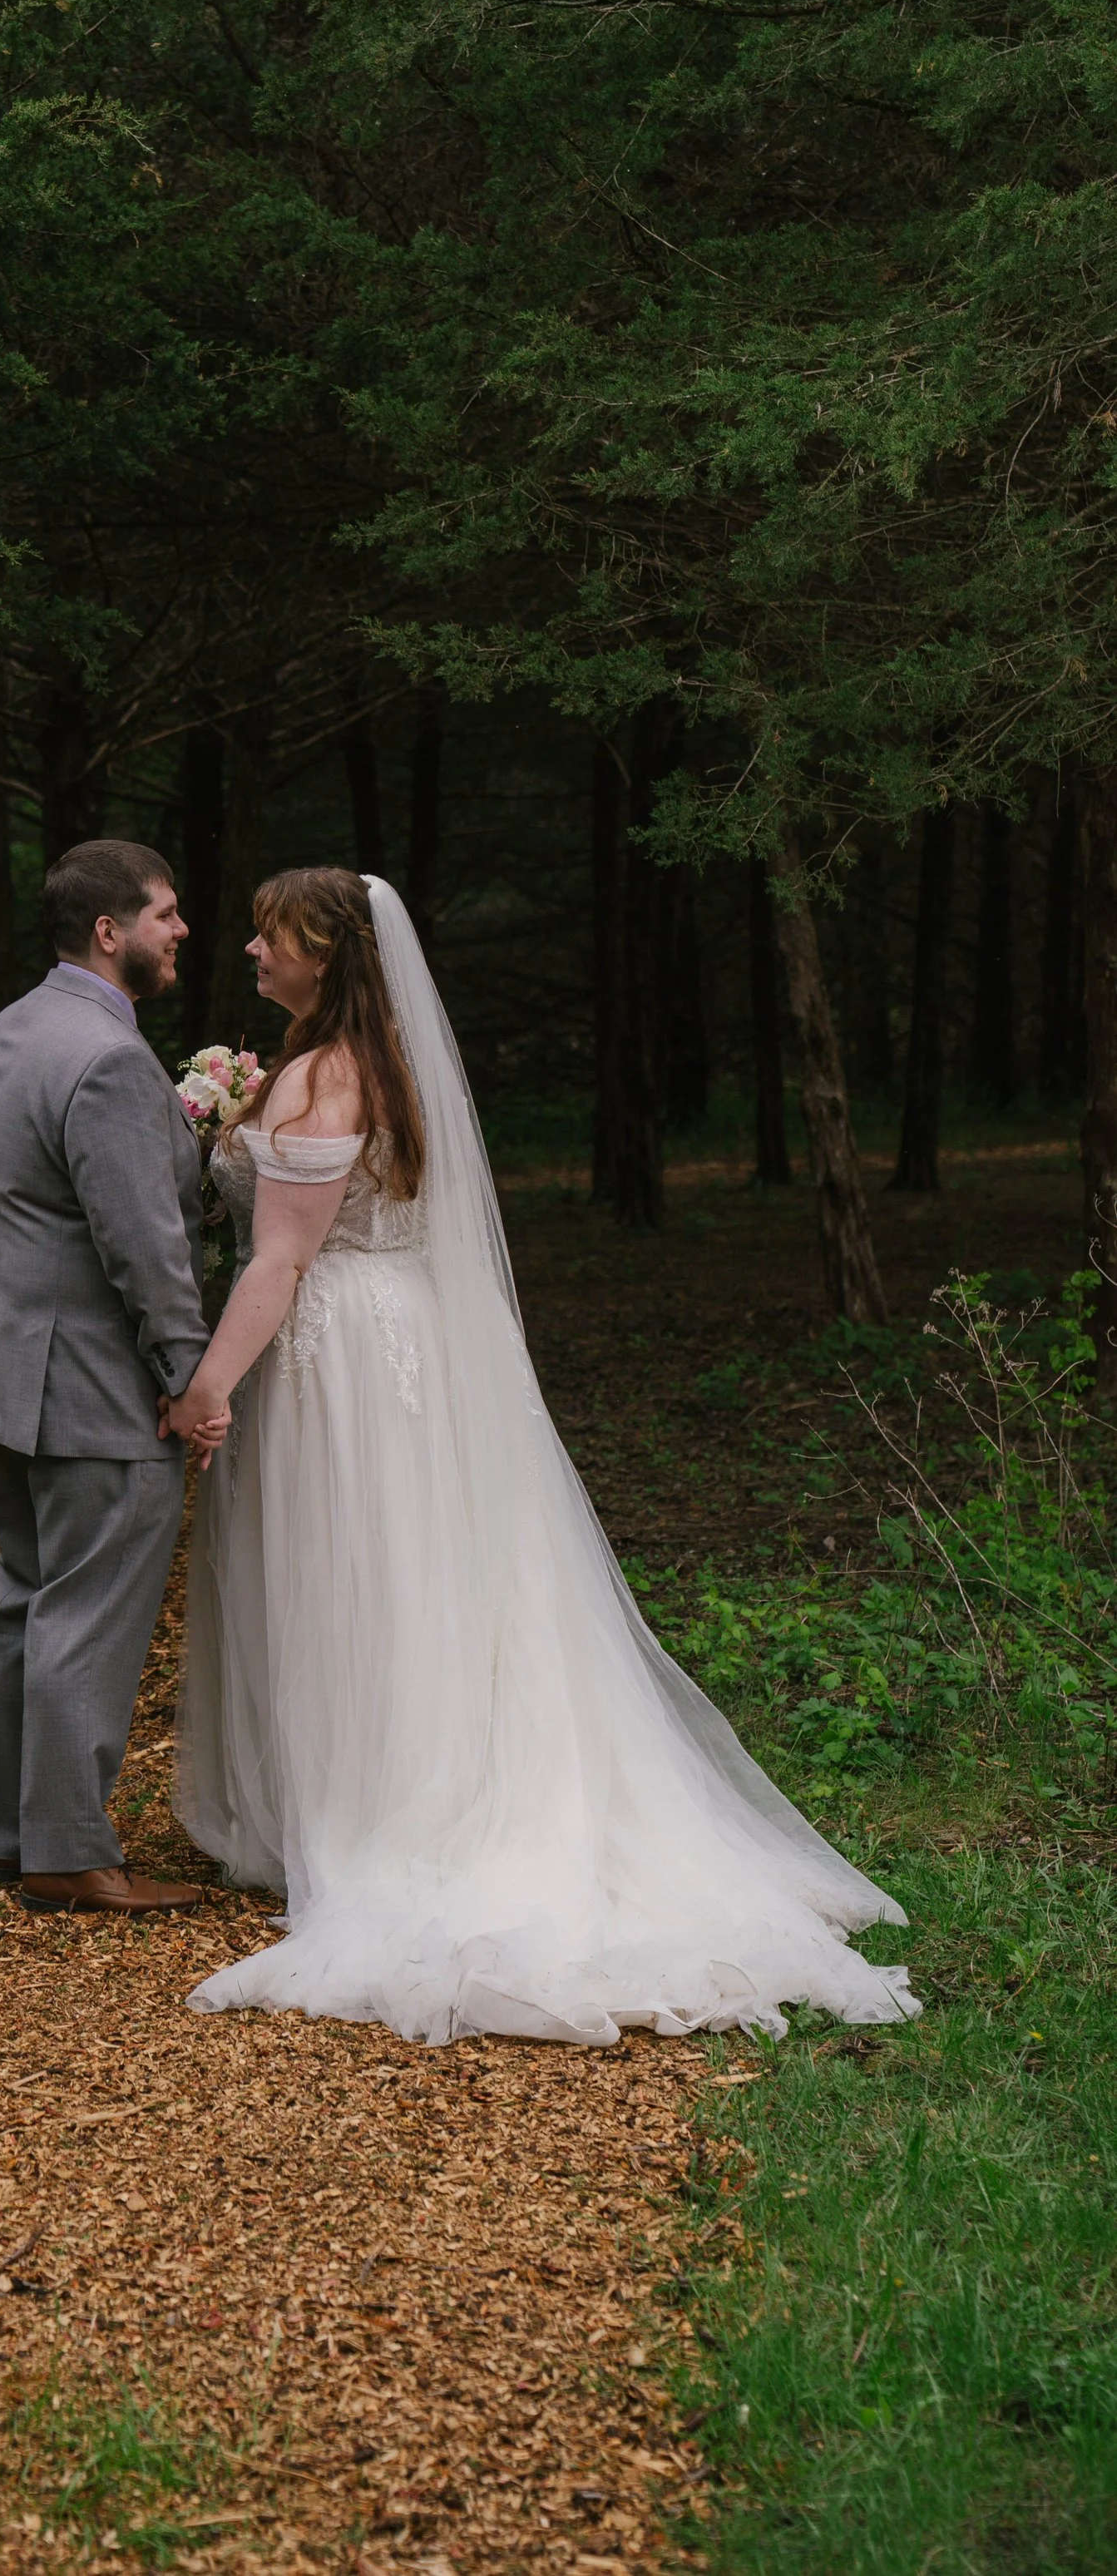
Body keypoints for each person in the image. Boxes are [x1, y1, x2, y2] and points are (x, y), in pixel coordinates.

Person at [164, 865, 919, 2044]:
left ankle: (378, 1812)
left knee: (357, 1571)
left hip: (344, 1357)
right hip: (407, 1337)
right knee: (420, 1571)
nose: (252, 955)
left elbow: (278, 1263)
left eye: (273, 939)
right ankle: (377, 1785)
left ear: (327, 955)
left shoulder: (316, 1077)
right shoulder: (389, 1064)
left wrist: (206, 1385)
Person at [0, 838, 215, 1916]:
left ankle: (16, 1829)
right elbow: (142, 1240)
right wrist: (185, 1368)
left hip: (13, 1372)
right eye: (164, 912)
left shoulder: (10, 1031)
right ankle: (67, 1848)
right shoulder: (108, 1058)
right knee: (88, 1613)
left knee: (29, 1600)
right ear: (109, 931)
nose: (181, 929)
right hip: (96, 1381)